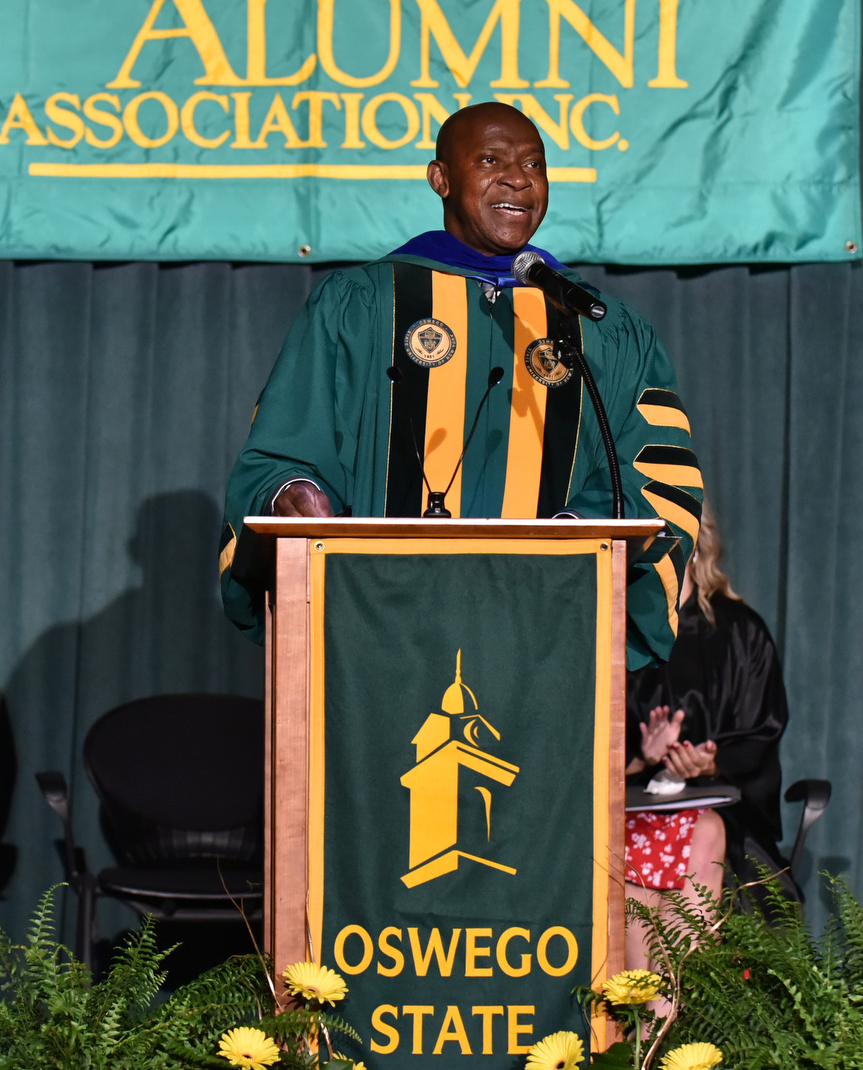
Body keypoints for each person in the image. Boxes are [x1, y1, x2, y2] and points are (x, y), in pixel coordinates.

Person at [220, 101, 701, 669]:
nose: (518, 180)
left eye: (534, 165)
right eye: (491, 159)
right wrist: (292, 493)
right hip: (373, 629)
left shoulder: (601, 328)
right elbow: (282, 449)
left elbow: (658, 470)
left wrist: (568, 543)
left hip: (546, 635)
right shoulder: (360, 307)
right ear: (440, 179)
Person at [623, 502, 789, 973]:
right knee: (633, 873)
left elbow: (762, 734)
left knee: (703, 831)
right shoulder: (613, 633)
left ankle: (668, 1021)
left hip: (726, 819)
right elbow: (578, 752)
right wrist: (640, 756)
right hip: (630, 812)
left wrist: (712, 762)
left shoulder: (742, 633)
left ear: (697, 542)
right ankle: (654, 1024)